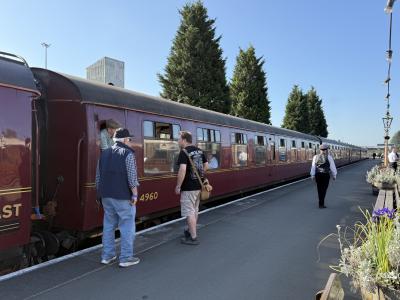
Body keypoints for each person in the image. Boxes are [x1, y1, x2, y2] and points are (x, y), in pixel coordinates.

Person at [96, 128, 140, 267]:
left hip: (106, 195)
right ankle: (126, 258)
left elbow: (98, 177)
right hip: (122, 196)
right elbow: (132, 178)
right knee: (127, 226)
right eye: (130, 139)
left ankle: (107, 256)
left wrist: (100, 194)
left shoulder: (104, 154)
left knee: (108, 226)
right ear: (125, 140)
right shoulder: (128, 154)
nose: (130, 142)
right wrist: (134, 194)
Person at [175, 131, 208, 245]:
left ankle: (193, 237)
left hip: (188, 187)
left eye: (178, 138)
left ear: (184, 139)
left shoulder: (184, 152)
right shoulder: (199, 150)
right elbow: (206, 165)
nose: (177, 141)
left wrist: (178, 186)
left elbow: (182, 170)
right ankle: (190, 231)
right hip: (198, 186)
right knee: (195, 210)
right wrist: (201, 175)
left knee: (189, 212)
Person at [310, 143, 337, 209]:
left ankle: (320, 203)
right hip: (325, 175)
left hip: (318, 175)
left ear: (320, 150)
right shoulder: (329, 157)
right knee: (324, 189)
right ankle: (321, 204)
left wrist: (312, 175)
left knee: (319, 189)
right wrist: (334, 175)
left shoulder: (315, 157)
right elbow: (332, 167)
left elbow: (313, 167)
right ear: (326, 150)